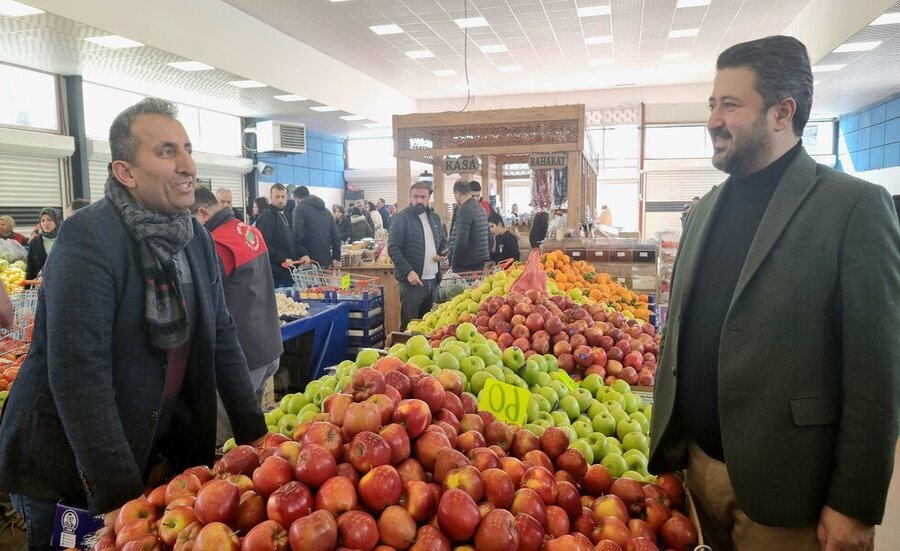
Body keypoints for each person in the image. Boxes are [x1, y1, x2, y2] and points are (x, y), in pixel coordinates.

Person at [649, 36, 900, 551]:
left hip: (788, 490)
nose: (714, 119)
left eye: (732, 104)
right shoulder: (705, 210)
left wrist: (854, 502)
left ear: (783, 112)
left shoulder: (854, 207)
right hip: (700, 469)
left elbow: (878, 370)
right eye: (712, 104)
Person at [0, 98, 267, 548]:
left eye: (187, 148)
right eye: (167, 152)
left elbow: (221, 337)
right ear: (125, 172)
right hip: (73, 462)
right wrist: (117, 492)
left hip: (147, 446)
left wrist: (256, 439)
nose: (187, 165)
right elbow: (77, 372)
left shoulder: (195, 238)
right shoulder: (88, 238)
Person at [190, 186, 283, 446]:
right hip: (269, 348)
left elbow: (206, 305)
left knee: (223, 444)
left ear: (202, 213)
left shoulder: (217, 244)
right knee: (250, 433)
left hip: (241, 359)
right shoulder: (250, 231)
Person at [388, 182, 447, 329]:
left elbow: (443, 241)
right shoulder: (401, 218)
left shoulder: (435, 218)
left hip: (433, 281)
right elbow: (393, 248)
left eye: (423, 197)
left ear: (428, 198)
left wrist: (443, 252)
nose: (419, 200)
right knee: (409, 328)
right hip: (412, 284)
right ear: (410, 197)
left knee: (428, 327)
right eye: (415, 196)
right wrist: (408, 272)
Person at [255, 183, 296, 287]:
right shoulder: (267, 216)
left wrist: (303, 254)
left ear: (287, 197)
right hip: (275, 273)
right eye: (277, 197)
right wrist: (282, 258)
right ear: (271, 198)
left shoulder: (287, 215)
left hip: (288, 270)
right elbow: (264, 245)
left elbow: (293, 240)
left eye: (283, 196)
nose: (280, 200)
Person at [293, 186, 341, 269]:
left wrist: (302, 253)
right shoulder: (326, 211)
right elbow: (336, 235)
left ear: (296, 199)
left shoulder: (299, 209)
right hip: (326, 260)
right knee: (325, 282)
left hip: (309, 261)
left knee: (309, 282)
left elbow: (297, 235)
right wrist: (336, 257)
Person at [448, 179, 490, 273]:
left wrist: (454, 264)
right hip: (479, 259)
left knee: (465, 287)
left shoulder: (464, 209)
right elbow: (488, 235)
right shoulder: (480, 207)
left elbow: (461, 241)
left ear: (458, 193)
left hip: (466, 262)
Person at [24, 208, 60, 281]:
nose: (46, 224)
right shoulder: (35, 242)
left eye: (49, 220)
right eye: (42, 221)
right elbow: (31, 267)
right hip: (40, 285)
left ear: (57, 221)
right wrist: (29, 285)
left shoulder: (64, 239)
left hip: (61, 283)